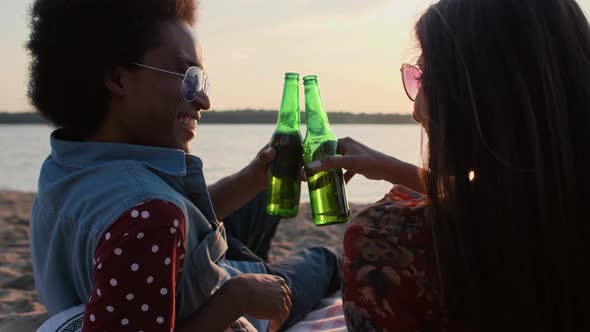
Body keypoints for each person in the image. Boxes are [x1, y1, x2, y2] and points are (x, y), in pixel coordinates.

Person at [26, 0, 340, 331]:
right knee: (324, 260)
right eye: (185, 75)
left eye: (202, 80)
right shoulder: (150, 220)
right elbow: (155, 222)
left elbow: (172, 220)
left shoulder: (66, 162)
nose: (204, 100)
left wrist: (254, 177)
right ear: (117, 78)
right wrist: (239, 297)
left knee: (263, 196)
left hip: (197, 261)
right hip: (229, 289)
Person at [310, 0, 590, 331]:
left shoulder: (384, 244)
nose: (417, 113)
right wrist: (393, 169)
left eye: (424, 77)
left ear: (477, 98)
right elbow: (515, 196)